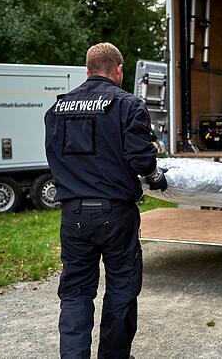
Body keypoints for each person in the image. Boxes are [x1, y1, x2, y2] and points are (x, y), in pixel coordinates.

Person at [44, 42, 167, 359]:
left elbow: (54, 159)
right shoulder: (128, 105)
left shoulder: (57, 110)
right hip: (116, 214)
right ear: (119, 70)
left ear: (87, 71)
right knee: (122, 288)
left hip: (73, 215)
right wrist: (155, 176)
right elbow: (142, 160)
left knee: (75, 291)